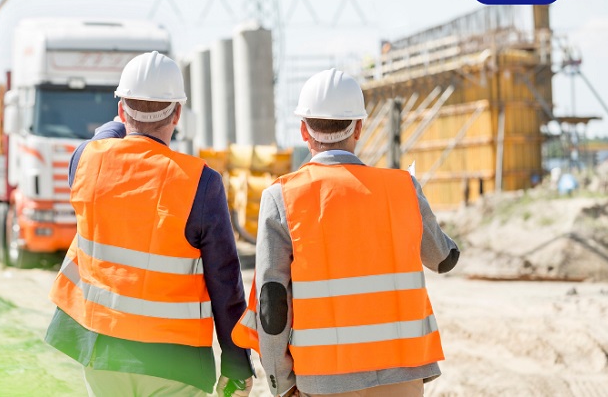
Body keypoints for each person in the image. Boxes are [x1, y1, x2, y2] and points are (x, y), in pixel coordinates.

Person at [232, 69, 460, 397]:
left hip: (324, 381)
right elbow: (444, 259)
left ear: (303, 131)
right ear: (359, 127)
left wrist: (280, 382)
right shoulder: (403, 189)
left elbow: (272, 301)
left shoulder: (283, 197)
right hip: (402, 376)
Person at [45, 51, 254, 396]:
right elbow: (225, 281)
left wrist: (121, 121)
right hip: (175, 363)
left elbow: (104, 136)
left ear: (121, 109)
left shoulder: (86, 161)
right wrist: (235, 361)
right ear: (178, 112)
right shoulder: (201, 183)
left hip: (102, 352)